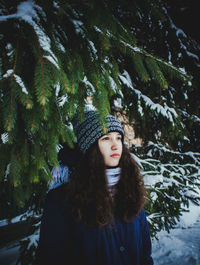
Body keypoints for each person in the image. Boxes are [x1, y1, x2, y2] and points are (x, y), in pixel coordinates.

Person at [35, 110, 154, 265]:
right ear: (89, 147)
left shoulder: (131, 187)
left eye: (118, 138)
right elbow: (50, 258)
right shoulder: (62, 200)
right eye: (106, 138)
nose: (115, 145)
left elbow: (145, 252)